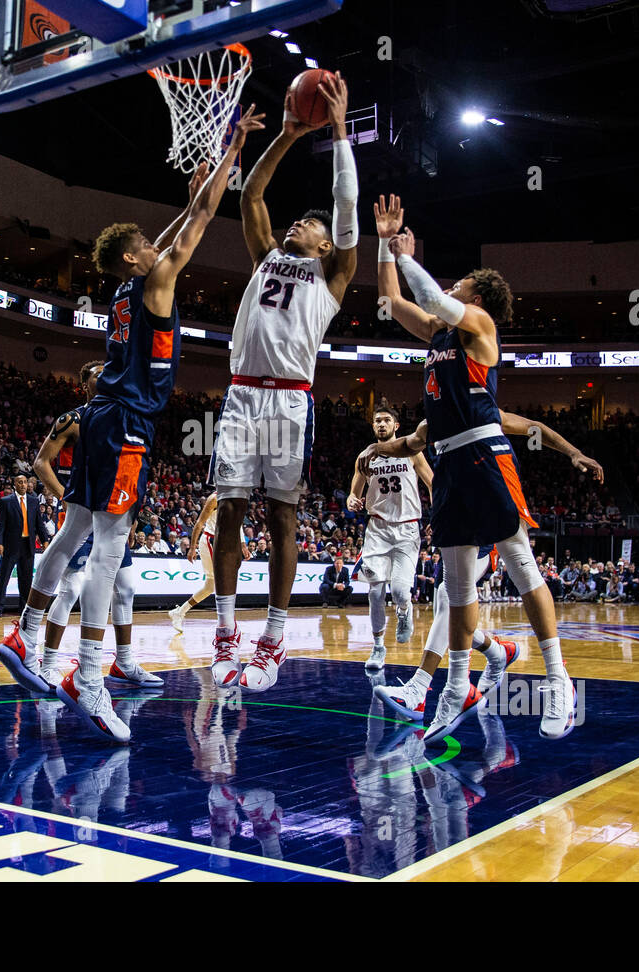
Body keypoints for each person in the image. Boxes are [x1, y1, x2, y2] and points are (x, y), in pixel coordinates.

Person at [0, 107, 264, 743]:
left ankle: (25, 635)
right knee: (109, 555)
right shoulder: (158, 278)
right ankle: (88, 679)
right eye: (145, 243)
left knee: (73, 533)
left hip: (99, 418)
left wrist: (195, 188)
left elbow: (179, 226)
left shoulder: (124, 291)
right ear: (132, 255)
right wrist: (230, 151)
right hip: (125, 425)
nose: (156, 246)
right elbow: (197, 223)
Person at [373, 194, 576, 741]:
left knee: (519, 563)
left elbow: (432, 295)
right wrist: (385, 248)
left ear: (477, 294)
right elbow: (393, 301)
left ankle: (558, 678)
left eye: (462, 283)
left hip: (486, 454)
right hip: (449, 461)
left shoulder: (480, 323)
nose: (454, 288)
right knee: (457, 586)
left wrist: (407, 250)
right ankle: (454, 686)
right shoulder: (439, 336)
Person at [209, 76, 357, 693]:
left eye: (309, 225)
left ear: (324, 245)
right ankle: (224, 634)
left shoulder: (333, 276)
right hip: (243, 391)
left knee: (284, 519)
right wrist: (290, 137)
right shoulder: (267, 256)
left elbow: (347, 217)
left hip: (289, 400)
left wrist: (341, 132)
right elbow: (250, 200)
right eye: (296, 220)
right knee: (231, 513)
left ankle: (273, 639)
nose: (297, 223)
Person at [366, 412, 601, 727]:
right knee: (446, 611)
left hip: (489, 499)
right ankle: (496, 652)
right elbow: (411, 444)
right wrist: (377, 450)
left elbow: (535, 429)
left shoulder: (479, 406)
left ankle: (421, 688)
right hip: (455, 507)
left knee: (452, 602)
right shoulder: (433, 422)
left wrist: (573, 452)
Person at [21, 360, 152, 691]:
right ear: (85, 385)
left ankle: (124, 662)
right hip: (82, 510)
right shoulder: (75, 418)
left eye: (110, 374)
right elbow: (40, 463)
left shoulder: (119, 418)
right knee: (71, 590)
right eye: (98, 376)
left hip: (111, 513)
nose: (106, 379)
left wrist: (132, 520)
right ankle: (48, 663)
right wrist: (67, 497)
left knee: (126, 588)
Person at [348, 405, 433, 670]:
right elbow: (354, 491)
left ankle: (404, 611)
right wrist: (352, 499)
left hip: (408, 529)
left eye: (386, 420)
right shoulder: (365, 456)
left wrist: (438, 512)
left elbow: (432, 482)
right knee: (375, 592)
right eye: (377, 421)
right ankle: (377, 647)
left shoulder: (412, 451)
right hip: (378, 529)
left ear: (396, 426)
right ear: (373, 427)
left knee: (399, 591)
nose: (381, 424)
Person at [0, 474, 47, 616]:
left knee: (26, 580)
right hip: (10, 545)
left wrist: (45, 540)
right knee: (3, 577)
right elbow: (0, 525)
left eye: (25, 482)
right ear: (14, 485)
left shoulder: (34, 501)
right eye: (20, 482)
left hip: (28, 545)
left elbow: (39, 524)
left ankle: (23, 608)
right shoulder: (6, 501)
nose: (23, 485)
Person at [169, 491, 220, 631]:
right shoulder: (215, 498)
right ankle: (226, 622)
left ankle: (179, 612)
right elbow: (199, 523)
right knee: (222, 583)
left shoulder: (235, 495)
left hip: (222, 542)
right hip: (210, 540)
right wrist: (192, 548)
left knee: (210, 588)